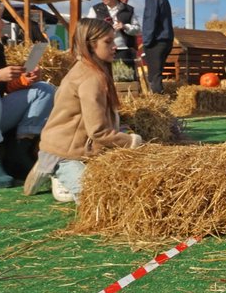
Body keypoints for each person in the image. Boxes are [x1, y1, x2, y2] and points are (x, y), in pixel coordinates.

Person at [24, 18, 143, 202]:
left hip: (80, 147)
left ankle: (48, 163)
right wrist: (131, 141)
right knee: (94, 199)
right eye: (108, 42)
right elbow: (99, 131)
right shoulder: (91, 79)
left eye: (114, 40)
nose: (115, 46)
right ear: (91, 44)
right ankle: (55, 170)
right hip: (66, 153)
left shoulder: (91, 70)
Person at [0, 0, 55, 187]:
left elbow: (3, 88)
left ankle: (19, 150)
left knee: (44, 90)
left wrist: (24, 80)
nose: (3, 23)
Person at [88, 0, 140, 80]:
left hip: (123, 50)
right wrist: (102, 28)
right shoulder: (95, 9)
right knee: (103, 79)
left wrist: (125, 27)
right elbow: (89, 29)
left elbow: (137, 29)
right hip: (102, 50)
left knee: (125, 80)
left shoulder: (129, 10)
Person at [140, 0, 174, 94]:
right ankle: (159, 97)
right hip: (166, 40)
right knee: (157, 73)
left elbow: (150, 20)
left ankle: (158, 100)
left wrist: (146, 42)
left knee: (154, 76)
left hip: (156, 41)